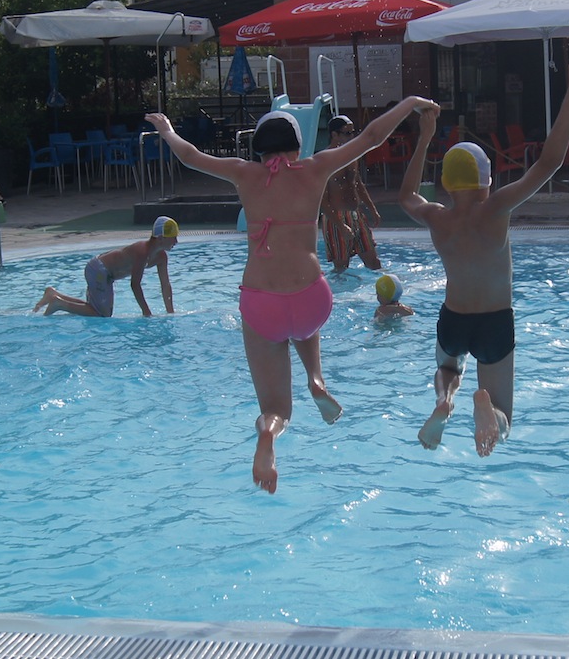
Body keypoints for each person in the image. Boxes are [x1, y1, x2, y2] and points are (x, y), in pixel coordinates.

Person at [145, 96, 436, 493]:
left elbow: (190, 156)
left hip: (261, 302)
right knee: (303, 322)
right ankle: (316, 379)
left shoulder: (243, 173)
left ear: (259, 150)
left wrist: (166, 131)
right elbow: (371, 136)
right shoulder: (315, 168)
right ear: (298, 148)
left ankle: (268, 433)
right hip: (311, 297)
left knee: (277, 408)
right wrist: (410, 104)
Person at [396, 51, 569, 456]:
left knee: (447, 367)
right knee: (505, 417)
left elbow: (407, 195)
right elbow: (549, 163)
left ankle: (444, 400)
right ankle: (490, 413)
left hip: (453, 318)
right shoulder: (496, 208)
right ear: (487, 180)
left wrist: (425, 137)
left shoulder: (436, 217)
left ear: (446, 184)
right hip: (494, 321)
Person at [35, 218, 178, 318]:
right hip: (99, 270)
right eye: (173, 237)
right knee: (102, 315)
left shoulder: (161, 257)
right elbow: (135, 285)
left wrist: (170, 313)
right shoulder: (142, 252)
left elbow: (165, 285)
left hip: (103, 272)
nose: (176, 241)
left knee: (94, 308)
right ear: (161, 238)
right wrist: (146, 312)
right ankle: (59, 304)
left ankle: (54, 294)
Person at [319, 115, 384, 273]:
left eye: (353, 132)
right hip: (336, 218)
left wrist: (372, 209)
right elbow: (321, 200)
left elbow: (358, 184)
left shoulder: (352, 155)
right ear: (334, 134)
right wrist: (340, 225)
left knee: (374, 264)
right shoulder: (325, 160)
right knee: (341, 268)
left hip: (356, 215)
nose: (352, 137)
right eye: (347, 133)